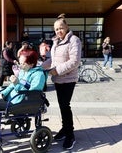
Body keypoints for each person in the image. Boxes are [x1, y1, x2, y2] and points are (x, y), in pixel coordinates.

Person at [42, 13, 81, 150]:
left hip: (69, 79)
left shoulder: (74, 40)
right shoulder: (56, 42)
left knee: (65, 105)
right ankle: (65, 129)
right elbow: (52, 60)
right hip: (58, 79)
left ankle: (70, 135)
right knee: (62, 106)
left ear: (67, 26)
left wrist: (56, 70)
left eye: (61, 28)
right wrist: (37, 68)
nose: (59, 31)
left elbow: (75, 62)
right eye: (56, 29)